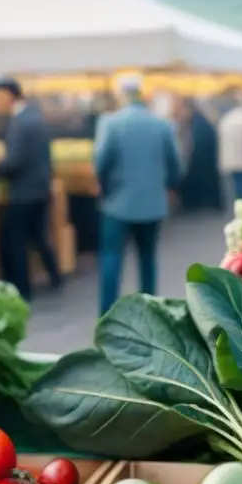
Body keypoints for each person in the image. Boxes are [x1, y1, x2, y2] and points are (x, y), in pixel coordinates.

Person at [94, 75, 181, 315]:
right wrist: (168, 187)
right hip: (152, 203)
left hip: (116, 203)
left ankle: (107, 315)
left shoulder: (110, 122)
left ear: (122, 95)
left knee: (111, 259)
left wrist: (104, 188)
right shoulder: (162, 124)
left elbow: (101, 162)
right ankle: (149, 312)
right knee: (147, 259)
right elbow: (175, 164)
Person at [0, 79, 62, 301]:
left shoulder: (20, 122)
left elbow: (15, 161)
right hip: (39, 188)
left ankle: (22, 289)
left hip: (23, 191)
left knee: (16, 241)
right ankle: (55, 276)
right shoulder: (34, 117)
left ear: (8, 96)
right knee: (38, 236)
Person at [173, 95, 222, 212]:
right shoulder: (201, 122)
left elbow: (196, 148)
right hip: (206, 164)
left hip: (201, 164)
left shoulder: (198, 125)